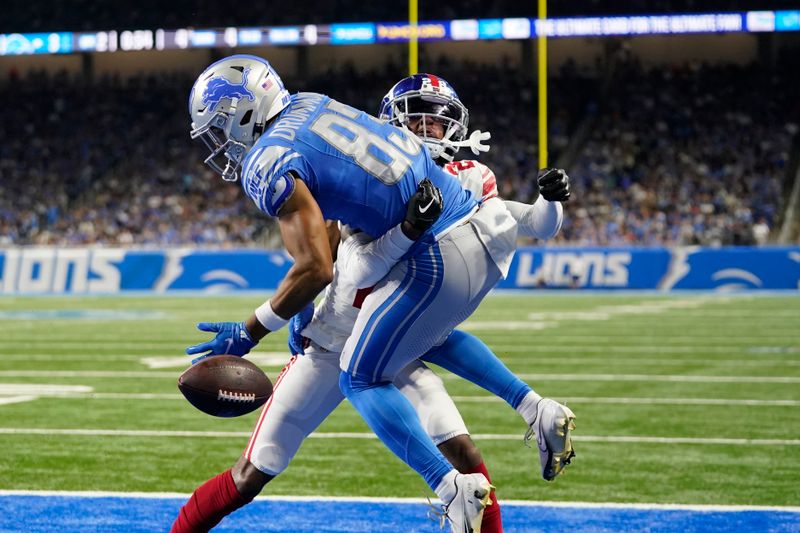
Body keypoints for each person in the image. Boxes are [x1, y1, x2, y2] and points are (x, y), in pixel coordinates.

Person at [180, 54, 557, 532]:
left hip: (383, 322)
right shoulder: (315, 108)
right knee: (252, 472)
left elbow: (318, 264)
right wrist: (300, 315)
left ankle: (496, 444)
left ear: (246, 110)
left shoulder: (271, 156)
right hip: (348, 327)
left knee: (456, 452)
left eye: (220, 126)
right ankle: (526, 411)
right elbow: (335, 233)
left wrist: (253, 329)